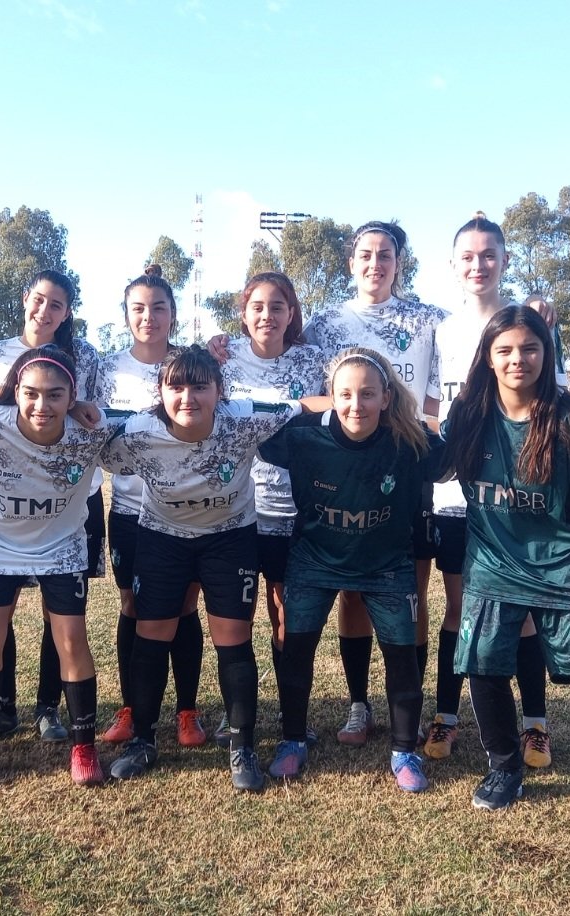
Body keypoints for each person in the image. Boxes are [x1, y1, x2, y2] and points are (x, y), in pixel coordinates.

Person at [443, 305, 570, 822]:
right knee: (482, 661)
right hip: (493, 566)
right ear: (487, 357)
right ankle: (505, 768)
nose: (518, 360)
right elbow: (427, 461)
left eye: (530, 348)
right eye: (504, 350)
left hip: (563, 567)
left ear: (546, 354)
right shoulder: (468, 416)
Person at [101, 346, 301, 792]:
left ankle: (242, 747)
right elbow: (87, 429)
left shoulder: (244, 418)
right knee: (151, 638)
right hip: (162, 538)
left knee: (233, 641)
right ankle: (143, 740)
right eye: (175, 387)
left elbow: (306, 405)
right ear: (159, 391)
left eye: (199, 386)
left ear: (219, 391)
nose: (187, 397)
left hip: (229, 539)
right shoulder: (138, 430)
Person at [259, 348, 443, 791]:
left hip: (387, 566)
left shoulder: (410, 442)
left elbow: (454, 455)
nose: (355, 405)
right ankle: (292, 739)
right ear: (331, 396)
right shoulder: (303, 436)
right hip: (315, 560)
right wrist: (305, 404)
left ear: (386, 398)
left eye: (367, 394)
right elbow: (259, 431)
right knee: (296, 648)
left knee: (401, 657)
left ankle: (404, 751)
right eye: (345, 395)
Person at [421, 214, 566, 765]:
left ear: (505, 260)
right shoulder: (441, 331)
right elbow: (432, 409)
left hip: (516, 501)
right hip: (458, 502)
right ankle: (446, 716)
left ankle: (534, 725)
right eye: (468, 256)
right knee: (461, 608)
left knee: (521, 612)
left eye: (488, 255)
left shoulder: (532, 322)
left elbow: (554, 403)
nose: (478, 264)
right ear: (453, 265)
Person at [296, 221, 447, 748]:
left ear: (399, 262)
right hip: (347, 469)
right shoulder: (326, 322)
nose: (375, 263)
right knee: (352, 593)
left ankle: (410, 708)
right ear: (351, 261)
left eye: (385, 254)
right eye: (365, 254)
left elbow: (447, 383)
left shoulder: (429, 319)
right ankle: (358, 704)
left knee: (410, 591)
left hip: (405, 467)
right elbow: (293, 371)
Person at [0, 346, 128, 788]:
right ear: (16, 391)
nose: (41, 405)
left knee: (71, 640)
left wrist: (91, 409)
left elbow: (151, 419)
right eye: (30, 393)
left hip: (61, 546)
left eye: (54, 395)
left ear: (72, 395)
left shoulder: (92, 428)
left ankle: (84, 747)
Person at [0, 269, 101, 744]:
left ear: (67, 313)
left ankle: (50, 706)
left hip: (71, 495)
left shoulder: (85, 355)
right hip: (13, 496)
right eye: (39, 299)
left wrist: (76, 405)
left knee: (62, 616)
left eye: (57, 304)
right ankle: (2, 705)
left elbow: (91, 411)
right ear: (25, 299)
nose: (45, 311)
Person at [95, 266, 206, 748]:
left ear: (173, 314)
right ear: (126, 316)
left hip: (186, 511)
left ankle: (187, 711)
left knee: (184, 606)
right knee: (133, 606)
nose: (149, 317)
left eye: (159, 307)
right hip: (128, 510)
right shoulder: (107, 369)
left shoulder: (192, 365)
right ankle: (131, 708)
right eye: (138, 309)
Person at [213, 272, 326, 745]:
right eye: (257, 306)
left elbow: (331, 401)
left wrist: (292, 406)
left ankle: (289, 713)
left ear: (291, 313)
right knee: (234, 621)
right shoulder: (222, 358)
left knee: (285, 615)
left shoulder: (311, 359)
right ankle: (236, 714)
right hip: (234, 508)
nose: (267, 315)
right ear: (243, 313)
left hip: (290, 508)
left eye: (277, 306)